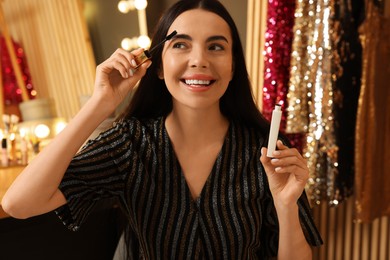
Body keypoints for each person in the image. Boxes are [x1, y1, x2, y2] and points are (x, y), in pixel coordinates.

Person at [2, 0, 323, 258]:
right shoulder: (129, 144)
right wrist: (100, 104)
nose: (198, 60)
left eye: (216, 47)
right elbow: (19, 203)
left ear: (233, 65)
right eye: (181, 45)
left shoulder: (267, 149)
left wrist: (285, 206)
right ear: (157, 65)